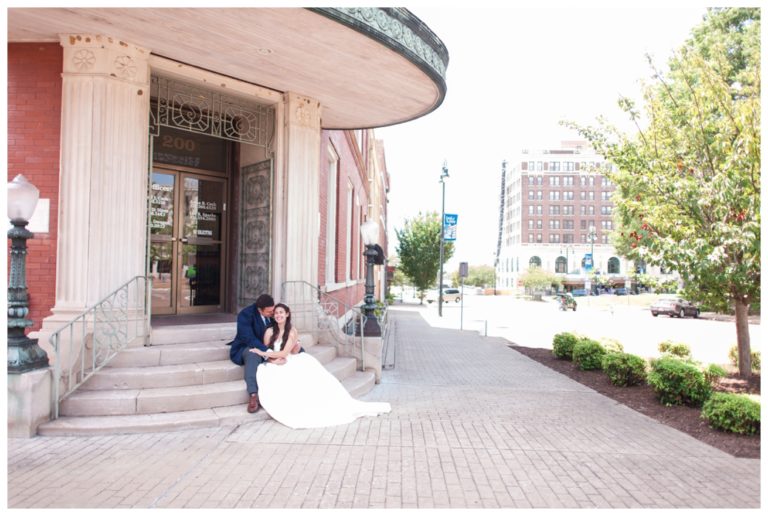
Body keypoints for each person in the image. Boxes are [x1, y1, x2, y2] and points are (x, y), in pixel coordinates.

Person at [252, 303, 391, 429]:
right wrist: (270, 360)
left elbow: (284, 352)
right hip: (275, 362)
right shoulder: (269, 332)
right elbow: (269, 351)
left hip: (290, 359)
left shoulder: (292, 331)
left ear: (287, 314)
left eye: (281, 312)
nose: (278, 315)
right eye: (276, 313)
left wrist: (261, 352)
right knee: (267, 373)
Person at [228, 294, 276, 414]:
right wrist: (266, 351)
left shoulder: (274, 313)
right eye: (269, 312)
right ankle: (253, 395)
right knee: (253, 355)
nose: (272, 313)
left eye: (273, 310)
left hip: (268, 346)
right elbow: (247, 337)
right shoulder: (246, 314)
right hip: (247, 346)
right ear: (260, 310)